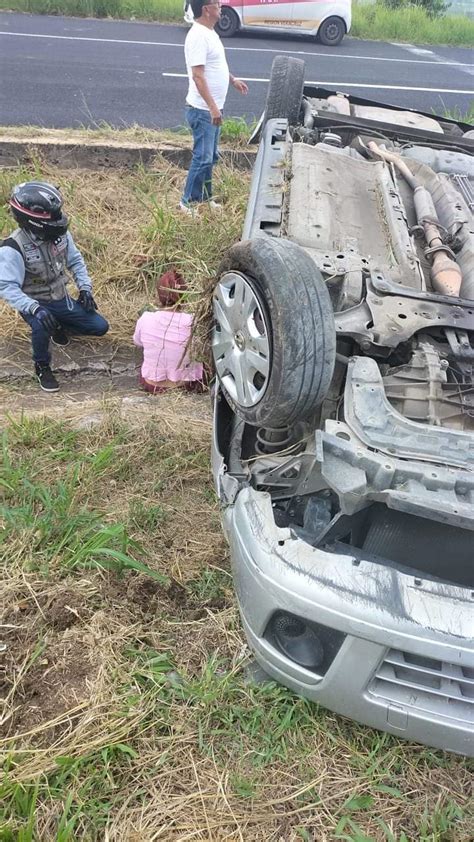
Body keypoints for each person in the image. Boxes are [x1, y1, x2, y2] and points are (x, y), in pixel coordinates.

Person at [0, 181, 109, 393]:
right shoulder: (13, 248)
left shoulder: (60, 234)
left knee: (99, 327)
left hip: (60, 297)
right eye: (53, 214)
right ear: (33, 220)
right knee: (41, 326)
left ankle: (59, 325)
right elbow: (7, 286)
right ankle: (42, 366)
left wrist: (85, 288)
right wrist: (34, 309)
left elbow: (76, 261)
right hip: (34, 302)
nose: (59, 219)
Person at [180, 0, 248, 214]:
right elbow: (198, 76)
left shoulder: (210, 32)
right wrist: (212, 107)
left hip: (212, 109)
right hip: (203, 111)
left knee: (210, 157)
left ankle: (206, 198)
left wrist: (232, 79)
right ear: (206, 9)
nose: (220, 5)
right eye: (216, 3)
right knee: (202, 157)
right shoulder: (198, 36)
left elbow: (214, 66)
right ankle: (187, 202)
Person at [133, 270, 204, 394]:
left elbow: (138, 342)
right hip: (187, 384)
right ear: (184, 295)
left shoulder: (146, 318)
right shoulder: (193, 320)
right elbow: (201, 349)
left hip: (153, 384)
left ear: (159, 295)